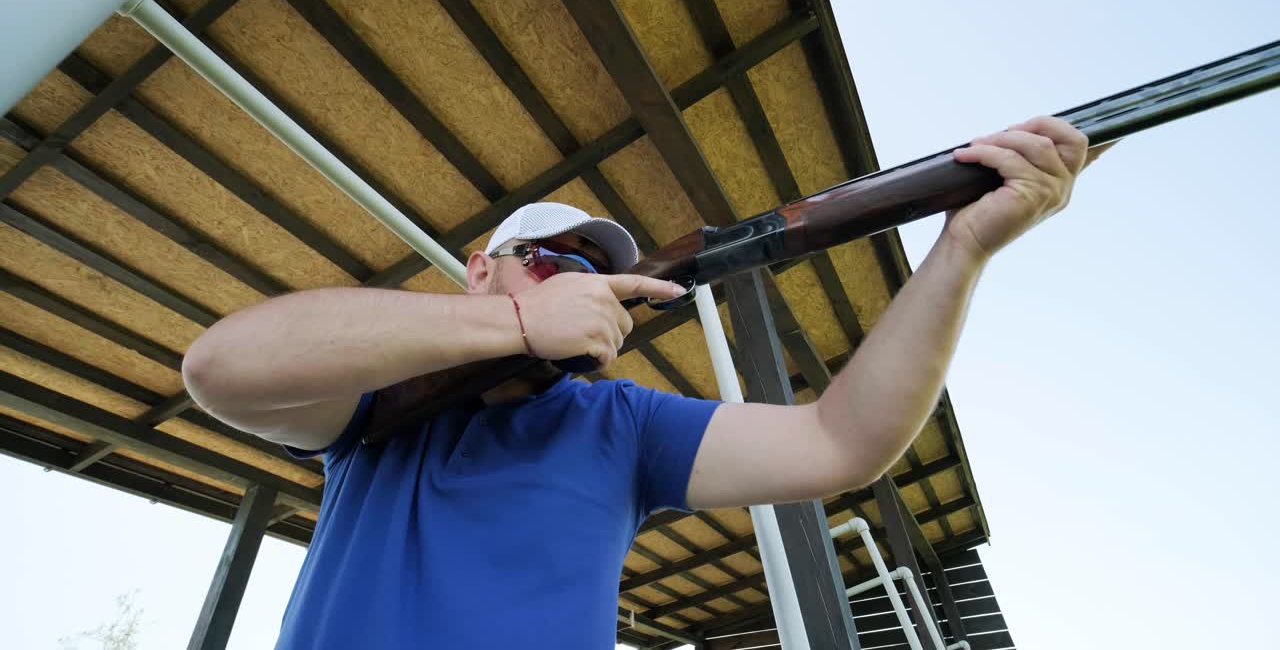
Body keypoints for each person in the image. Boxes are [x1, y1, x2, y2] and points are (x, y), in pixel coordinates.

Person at [182, 117, 1093, 648]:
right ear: (480, 270)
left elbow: (840, 443)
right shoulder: (385, 395)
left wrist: (963, 249)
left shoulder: (621, 421)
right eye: (551, 263)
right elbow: (220, 367)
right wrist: (517, 327)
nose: (578, 283)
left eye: (598, 273)